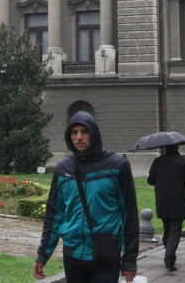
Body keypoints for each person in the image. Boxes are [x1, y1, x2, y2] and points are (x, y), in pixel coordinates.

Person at [34, 111, 140, 283]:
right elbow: (54, 215)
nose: (79, 137)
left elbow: (129, 214)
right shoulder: (63, 168)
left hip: (105, 255)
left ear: (94, 134)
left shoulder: (117, 166)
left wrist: (130, 260)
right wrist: (43, 254)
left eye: (84, 131)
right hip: (73, 255)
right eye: (74, 132)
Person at [147, 143, 185, 271]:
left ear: (165, 148)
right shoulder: (184, 163)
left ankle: (170, 256)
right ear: (177, 147)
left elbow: (150, 180)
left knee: (167, 229)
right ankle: (169, 258)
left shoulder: (158, 162)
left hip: (162, 201)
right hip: (178, 201)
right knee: (175, 231)